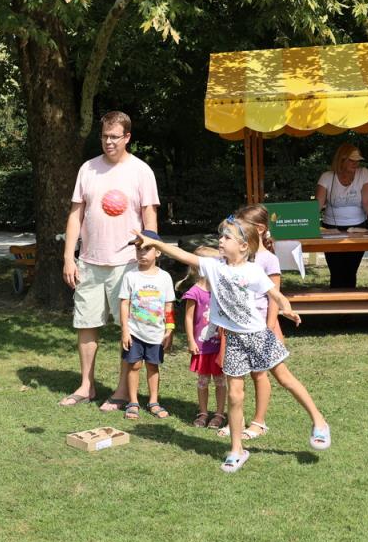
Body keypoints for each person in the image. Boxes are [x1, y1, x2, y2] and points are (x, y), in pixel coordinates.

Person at [134, 219, 330, 474]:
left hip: (258, 335)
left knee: (285, 379)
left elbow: (275, 294)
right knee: (235, 395)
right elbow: (182, 255)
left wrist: (287, 308)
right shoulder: (214, 266)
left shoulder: (253, 271)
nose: (221, 241)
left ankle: (319, 421)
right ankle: (237, 450)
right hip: (234, 340)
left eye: (227, 238)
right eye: (221, 237)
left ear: (243, 246)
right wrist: (155, 243)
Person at [59, 111, 160, 409]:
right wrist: (69, 257)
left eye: (115, 137)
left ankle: (121, 391)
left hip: (128, 263)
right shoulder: (88, 169)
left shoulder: (141, 171)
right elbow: (75, 215)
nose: (109, 142)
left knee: (128, 328)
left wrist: (150, 258)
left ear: (127, 137)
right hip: (89, 262)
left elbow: (150, 218)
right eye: (104, 136)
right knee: (86, 323)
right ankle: (86, 386)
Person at [222, 203, 283, 440]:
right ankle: (235, 421)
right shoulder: (238, 256)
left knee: (259, 373)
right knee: (234, 375)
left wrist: (270, 328)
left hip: (261, 326)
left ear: (259, 229)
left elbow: (274, 297)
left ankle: (259, 422)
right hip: (237, 326)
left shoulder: (269, 259)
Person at [118, 230, 175, 420]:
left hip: (156, 334)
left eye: (147, 249)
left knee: (153, 366)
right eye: (138, 249)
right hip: (134, 332)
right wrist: (125, 330)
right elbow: (124, 303)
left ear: (158, 252)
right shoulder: (130, 276)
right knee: (134, 365)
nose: (141, 253)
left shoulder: (165, 277)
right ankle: (133, 402)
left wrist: (169, 330)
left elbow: (169, 306)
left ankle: (153, 402)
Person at [316, 144, 368, 288]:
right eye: (352, 160)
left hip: (358, 228)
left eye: (357, 160)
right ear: (341, 160)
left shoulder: (364, 173)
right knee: (336, 270)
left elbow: (367, 201)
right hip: (331, 228)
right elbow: (318, 204)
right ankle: (338, 300)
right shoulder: (327, 177)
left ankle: (350, 299)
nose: (356, 163)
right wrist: (309, 223)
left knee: (351, 270)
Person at [180, 247, 227, 430]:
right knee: (203, 381)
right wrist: (191, 340)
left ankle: (219, 414)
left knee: (221, 381)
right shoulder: (194, 292)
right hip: (201, 347)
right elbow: (188, 318)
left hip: (219, 347)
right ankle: (203, 412)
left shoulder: (221, 290)